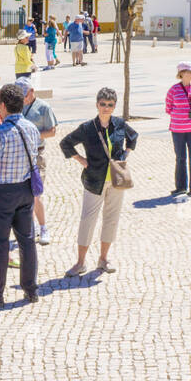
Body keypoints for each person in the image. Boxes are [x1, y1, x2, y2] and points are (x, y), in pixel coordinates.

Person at [0, 83, 43, 307]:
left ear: (2, 105)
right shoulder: (31, 128)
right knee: (27, 241)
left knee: (0, 243)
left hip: (4, 192)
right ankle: (31, 289)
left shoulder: (0, 132)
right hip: (26, 189)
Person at [61, 87, 138, 276]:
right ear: (97, 105)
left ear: (114, 106)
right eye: (103, 104)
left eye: (110, 105)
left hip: (116, 181)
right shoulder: (87, 128)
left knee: (111, 219)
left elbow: (133, 137)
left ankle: (103, 259)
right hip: (94, 181)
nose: (106, 108)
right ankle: (80, 262)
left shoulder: (119, 124)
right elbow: (66, 143)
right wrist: (81, 160)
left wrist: (125, 155)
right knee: (88, 220)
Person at [17, 77, 57, 245]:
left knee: (36, 194)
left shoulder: (44, 108)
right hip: (19, 155)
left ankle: (43, 228)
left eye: (23, 95)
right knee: (22, 195)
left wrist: (32, 135)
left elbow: (52, 131)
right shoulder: (16, 106)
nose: (21, 99)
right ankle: (28, 227)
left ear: (32, 92)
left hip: (36, 155)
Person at [165, 61, 191, 197]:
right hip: (177, 130)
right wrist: (180, 116)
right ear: (181, 74)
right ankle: (180, 187)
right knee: (180, 158)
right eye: (189, 72)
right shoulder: (173, 90)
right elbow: (168, 107)